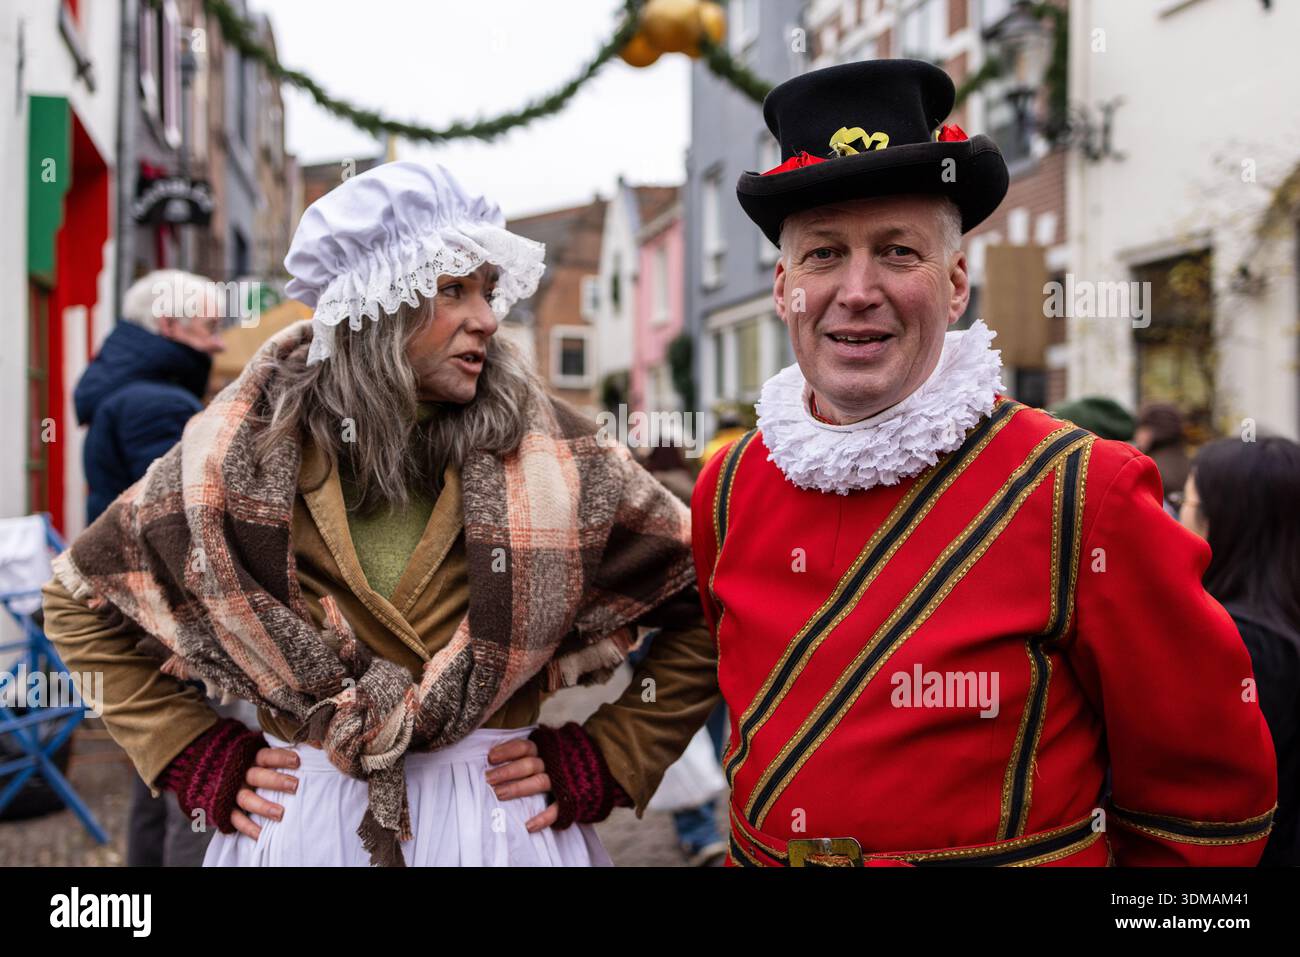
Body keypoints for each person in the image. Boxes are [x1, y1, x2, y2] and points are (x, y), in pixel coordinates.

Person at [526, 59, 1277, 866]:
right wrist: (605, 752)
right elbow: (709, 656)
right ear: (783, 288)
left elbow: (1205, 805)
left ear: (955, 283)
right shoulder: (728, 486)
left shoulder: (1087, 491)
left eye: (896, 251)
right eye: (823, 254)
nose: (857, 289)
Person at [41, 161, 717, 866]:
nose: (487, 317)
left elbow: (702, 593)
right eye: (454, 289)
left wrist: (611, 754)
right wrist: (189, 749)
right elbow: (77, 598)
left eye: (487, 290)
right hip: (302, 821)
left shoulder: (559, 454)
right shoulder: (238, 451)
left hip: (499, 822)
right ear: (377, 302)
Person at [73, 268, 231, 867]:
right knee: (199, 775)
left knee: (158, 767)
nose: (218, 343)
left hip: (137, 618)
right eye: (210, 327)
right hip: (170, 622)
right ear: (169, 324)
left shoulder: (131, 391)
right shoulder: (157, 401)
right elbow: (180, 527)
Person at [1180, 436, 1300, 866]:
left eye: (1185, 504)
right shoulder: (1279, 631)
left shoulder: (1237, 646)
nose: (1176, 521)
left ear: (1223, 523)